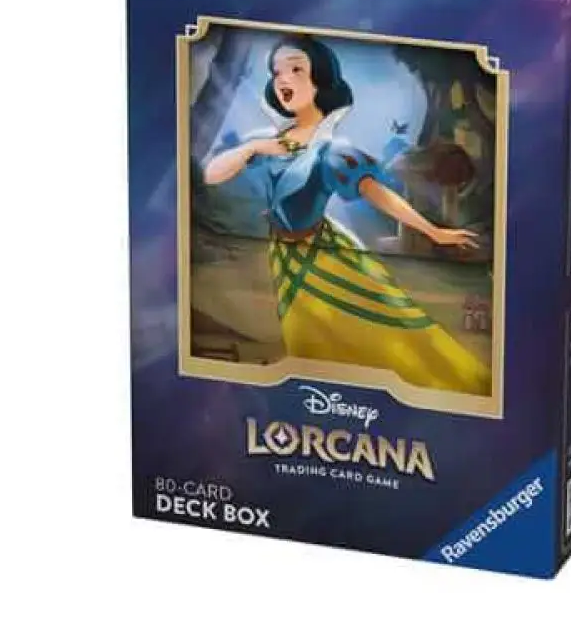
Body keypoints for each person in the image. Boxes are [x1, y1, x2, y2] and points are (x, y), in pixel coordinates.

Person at [203, 35, 491, 396]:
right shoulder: (268, 141)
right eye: (277, 71)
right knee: (306, 334)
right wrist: (254, 147)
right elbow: (212, 174)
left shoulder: (332, 151)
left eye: (296, 70)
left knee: (366, 327)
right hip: (284, 256)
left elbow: (375, 192)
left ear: (320, 81)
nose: (283, 79)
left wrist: (434, 231)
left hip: (323, 257)